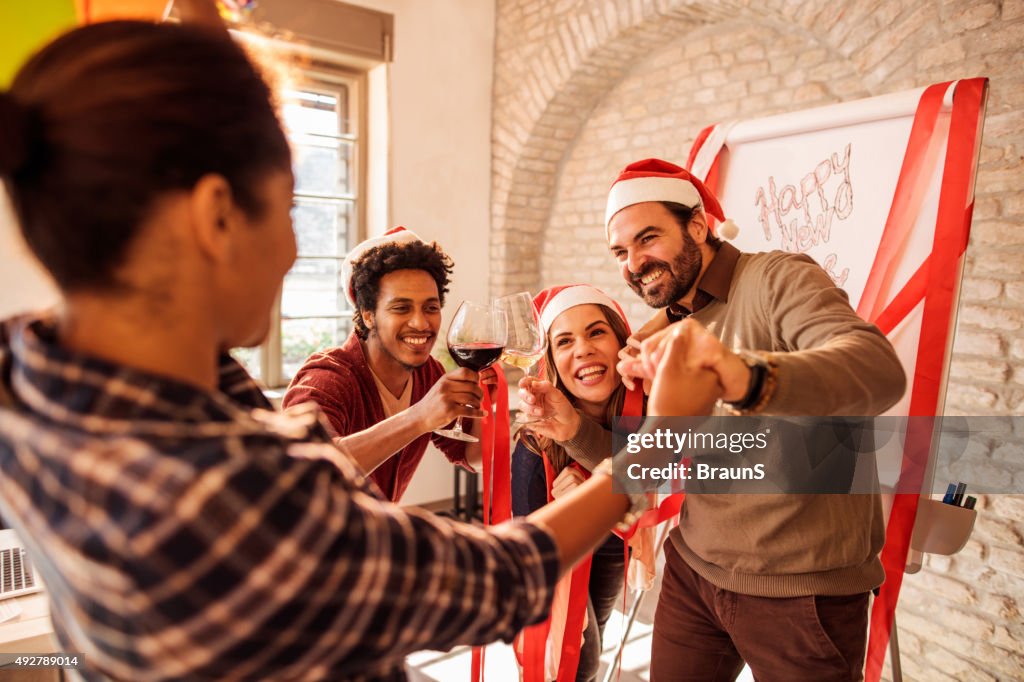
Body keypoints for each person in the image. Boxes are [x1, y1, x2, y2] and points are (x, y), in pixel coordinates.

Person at [0, 19, 720, 680]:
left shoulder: (29, 371)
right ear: (214, 216)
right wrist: (662, 440)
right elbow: (499, 575)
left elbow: (818, 451)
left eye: (644, 242)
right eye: (287, 212)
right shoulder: (247, 501)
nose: (291, 252)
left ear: (701, 229)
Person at [522, 158, 907, 681]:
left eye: (648, 238)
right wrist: (573, 431)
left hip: (801, 590)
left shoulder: (777, 277)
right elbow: (660, 470)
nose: (634, 262)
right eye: (620, 252)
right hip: (695, 572)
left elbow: (879, 371)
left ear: (698, 226)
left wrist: (744, 377)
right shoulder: (664, 329)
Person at [283, 227, 484, 502]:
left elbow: (473, 457)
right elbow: (305, 476)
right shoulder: (326, 379)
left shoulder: (429, 373)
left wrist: (490, 406)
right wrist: (419, 417)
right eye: (401, 308)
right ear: (368, 315)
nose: (421, 323)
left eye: (431, 307)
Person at [512, 284, 649, 682]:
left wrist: (595, 495)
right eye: (565, 341)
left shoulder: (654, 408)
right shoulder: (537, 440)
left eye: (596, 332)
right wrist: (567, 513)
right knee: (572, 659)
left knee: (594, 640)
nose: (583, 349)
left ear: (621, 341)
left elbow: (667, 477)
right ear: (552, 360)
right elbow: (526, 553)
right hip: (556, 559)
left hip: (612, 552)